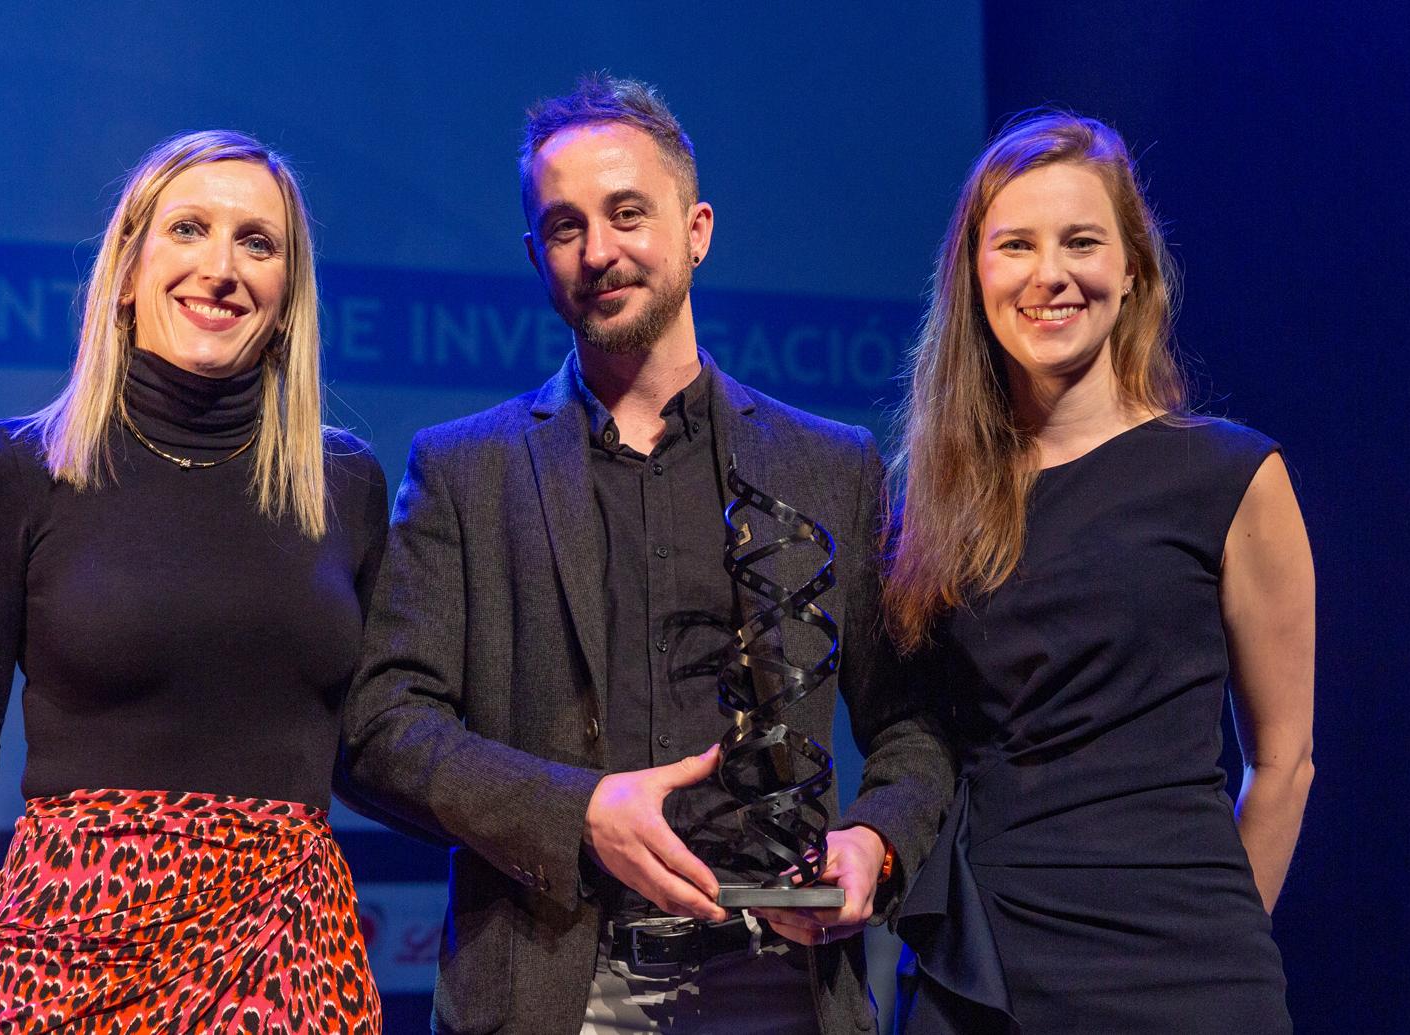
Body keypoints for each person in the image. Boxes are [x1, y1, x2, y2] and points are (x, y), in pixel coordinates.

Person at [339, 74, 954, 1035]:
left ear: (697, 229)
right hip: (555, 984)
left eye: (628, 213)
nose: (599, 251)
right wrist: (574, 811)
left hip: (783, 981)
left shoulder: (830, 467)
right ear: (536, 255)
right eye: (564, 225)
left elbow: (913, 722)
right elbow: (380, 727)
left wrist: (879, 838)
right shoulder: (466, 470)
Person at [0, 130, 387, 1034]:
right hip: (66, 958)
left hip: (287, 952)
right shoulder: (17, 471)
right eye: (188, 230)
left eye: (258, 242)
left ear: (288, 298)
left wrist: (560, 815)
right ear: (126, 271)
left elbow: (389, 743)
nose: (221, 267)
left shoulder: (346, 485)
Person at [884, 111, 1315, 1034]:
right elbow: (914, 741)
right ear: (976, 276)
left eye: (1082, 241)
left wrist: (1219, 951)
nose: (1051, 275)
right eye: (1016, 245)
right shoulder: (936, 507)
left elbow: (1281, 764)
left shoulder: (1231, 476)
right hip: (986, 969)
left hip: (1186, 969)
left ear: (1133, 270)